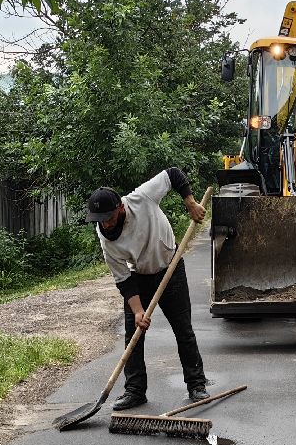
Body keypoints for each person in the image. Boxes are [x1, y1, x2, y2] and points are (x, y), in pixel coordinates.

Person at [86, 168, 209, 411]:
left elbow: (173, 175)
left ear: (120, 208)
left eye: (109, 217)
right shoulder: (105, 237)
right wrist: (138, 311)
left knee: (183, 330)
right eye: (100, 219)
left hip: (170, 267)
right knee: (133, 333)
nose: (106, 224)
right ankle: (135, 390)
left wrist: (191, 204)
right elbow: (122, 278)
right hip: (139, 276)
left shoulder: (141, 198)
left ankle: (196, 385)